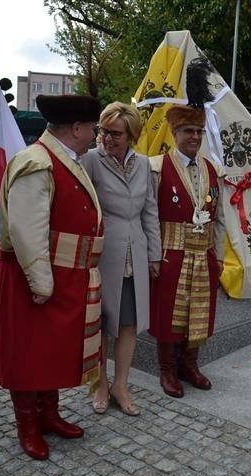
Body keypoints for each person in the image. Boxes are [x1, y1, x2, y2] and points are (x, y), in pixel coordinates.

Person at [0, 94, 103, 460]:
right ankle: (28, 426)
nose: (94, 134)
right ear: (76, 128)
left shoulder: (61, 158)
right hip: (35, 278)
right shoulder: (37, 163)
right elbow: (29, 230)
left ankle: (48, 414)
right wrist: (42, 283)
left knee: (49, 353)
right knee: (29, 356)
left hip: (60, 274)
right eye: (91, 127)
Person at [82, 102, 161, 416]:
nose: (107, 139)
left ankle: (121, 384)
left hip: (136, 252)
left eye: (115, 133)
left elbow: (150, 212)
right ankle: (100, 384)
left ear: (131, 136)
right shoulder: (90, 160)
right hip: (102, 253)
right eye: (103, 131)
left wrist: (155, 254)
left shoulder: (143, 164)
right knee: (100, 324)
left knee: (129, 323)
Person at [149, 105, 225, 398]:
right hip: (172, 251)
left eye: (198, 131)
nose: (194, 136)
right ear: (174, 133)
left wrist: (218, 255)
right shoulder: (156, 167)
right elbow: (150, 216)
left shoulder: (212, 169)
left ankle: (190, 365)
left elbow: (220, 218)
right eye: (188, 131)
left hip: (203, 252)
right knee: (169, 312)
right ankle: (167, 369)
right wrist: (154, 255)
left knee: (199, 311)